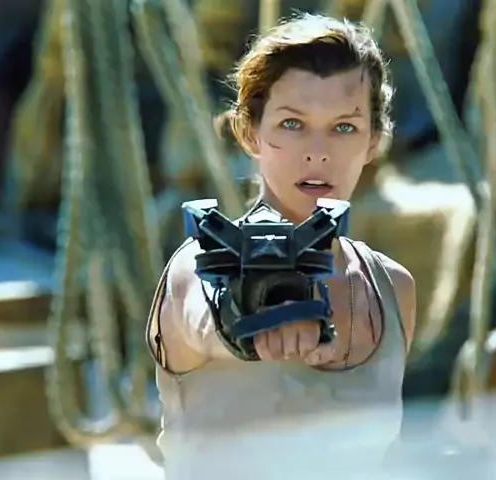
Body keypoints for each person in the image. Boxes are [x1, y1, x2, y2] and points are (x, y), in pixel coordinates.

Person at [146, 13, 416, 480]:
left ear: (375, 139)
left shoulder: (392, 288)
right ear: (250, 133)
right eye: (293, 124)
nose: (318, 151)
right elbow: (203, 312)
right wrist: (257, 310)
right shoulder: (198, 266)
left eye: (344, 127)